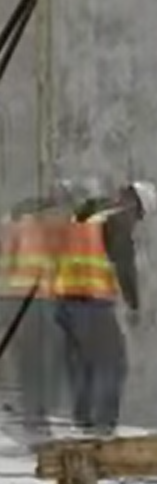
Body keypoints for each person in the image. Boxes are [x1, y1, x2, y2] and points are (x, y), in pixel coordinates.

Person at [53, 179, 154, 436]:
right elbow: (124, 265)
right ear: (134, 204)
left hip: (65, 300)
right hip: (90, 301)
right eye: (139, 215)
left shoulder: (89, 210)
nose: (136, 221)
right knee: (114, 363)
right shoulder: (117, 218)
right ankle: (104, 428)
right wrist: (134, 305)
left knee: (84, 364)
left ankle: (83, 424)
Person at [0, 187, 72, 445]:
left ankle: (29, 413)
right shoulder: (51, 223)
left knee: (26, 359)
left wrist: (0, 290)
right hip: (34, 299)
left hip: (10, 297)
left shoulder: (9, 220)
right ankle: (33, 417)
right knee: (39, 361)